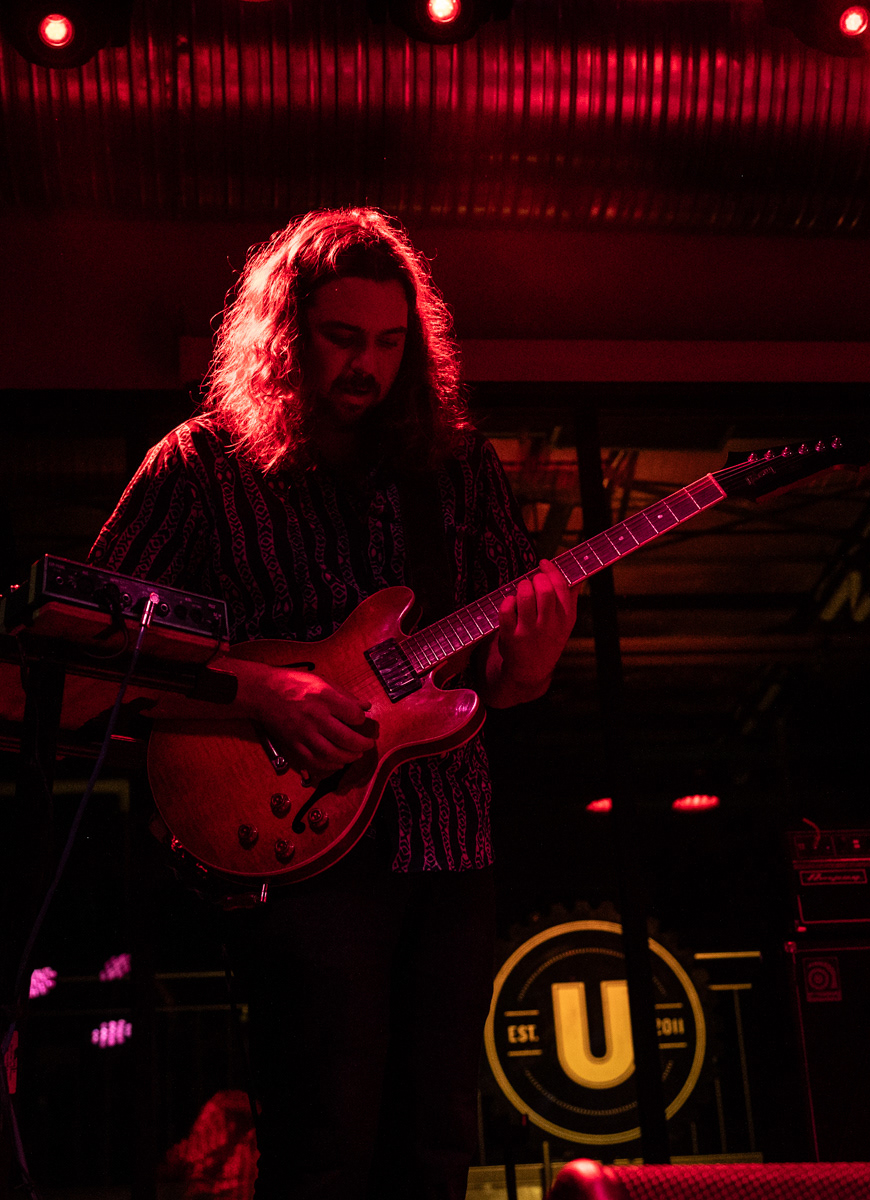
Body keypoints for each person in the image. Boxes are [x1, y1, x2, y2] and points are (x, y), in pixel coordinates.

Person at [89, 208, 579, 1199]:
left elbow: (501, 681)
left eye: (392, 343)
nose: (368, 366)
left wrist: (529, 668)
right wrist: (262, 688)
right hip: (295, 848)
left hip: (448, 842)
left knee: (436, 1148)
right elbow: (98, 638)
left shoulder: (457, 470)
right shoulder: (200, 465)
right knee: (323, 1147)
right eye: (343, 338)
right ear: (285, 335)